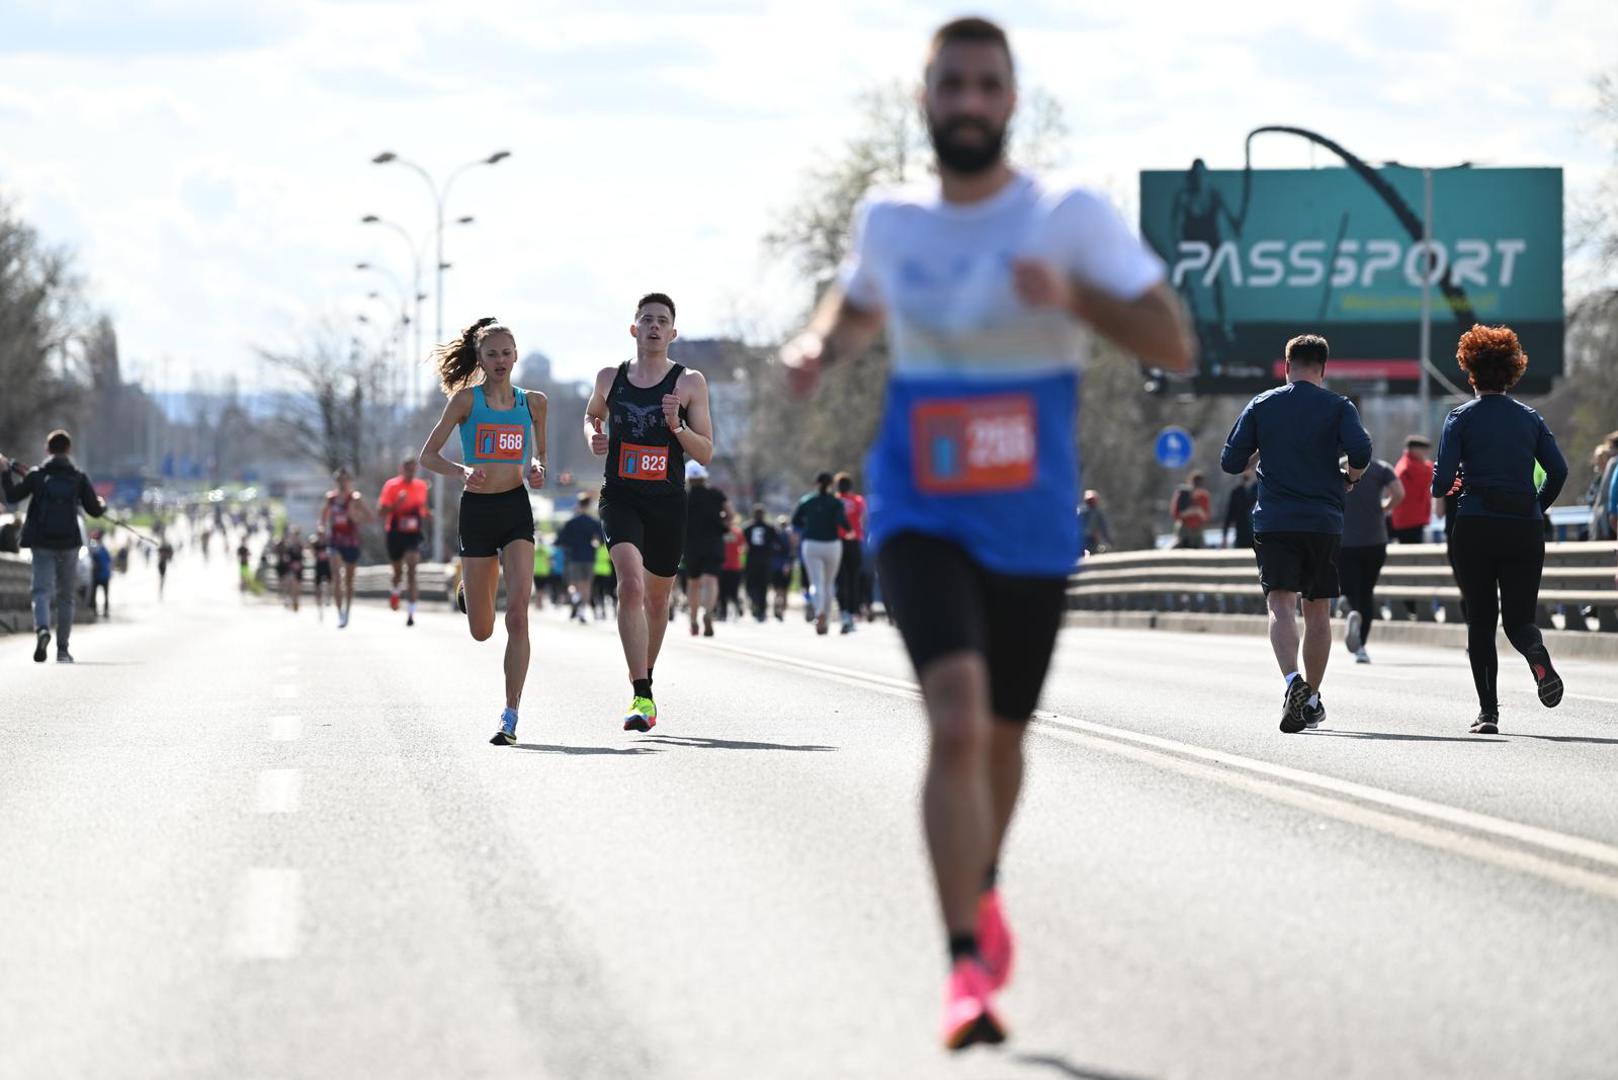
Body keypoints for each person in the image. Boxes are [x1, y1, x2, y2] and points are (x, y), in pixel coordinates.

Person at [778, 16, 1195, 1050]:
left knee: (1003, 738)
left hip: (1029, 520)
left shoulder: (1066, 216)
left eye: (984, 86)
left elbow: (1173, 341)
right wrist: (816, 345)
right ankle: (962, 964)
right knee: (955, 722)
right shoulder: (891, 221)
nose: (965, 103)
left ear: (1009, 101)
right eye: (949, 86)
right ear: (926, 101)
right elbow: (855, 304)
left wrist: (1077, 296)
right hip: (918, 507)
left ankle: (987, 877)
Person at [1220, 334, 1371, 733]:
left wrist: (1261, 447)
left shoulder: (1263, 404)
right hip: (1322, 522)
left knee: (1280, 605)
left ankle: (1292, 682)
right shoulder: (1339, 407)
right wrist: (1351, 478)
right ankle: (1313, 699)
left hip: (1274, 521)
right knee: (1317, 610)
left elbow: (1231, 461)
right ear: (1323, 368)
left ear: (1286, 367)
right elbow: (1362, 452)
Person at [584, 293, 715, 732]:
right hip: (620, 495)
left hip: (666, 501)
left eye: (662, 321)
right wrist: (593, 436)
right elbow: (592, 415)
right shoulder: (610, 377)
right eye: (647, 320)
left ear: (673, 333)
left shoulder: (690, 382)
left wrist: (677, 426)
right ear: (633, 329)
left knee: (658, 600)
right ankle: (641, 691)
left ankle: (646, 680)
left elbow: (707, 452)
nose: (654, 327)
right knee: (631, 586)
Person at [1431, 324, 1568, 735]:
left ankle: (1488, 713)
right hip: (1524, 527)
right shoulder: (1530, 419)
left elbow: (1440, 484)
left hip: (1474, 525)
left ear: (1470, 373)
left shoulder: (1460, 418)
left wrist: (1453, 480)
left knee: (1481, 620)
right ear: (1512, 372)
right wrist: (1534, 507)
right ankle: (1536, 654)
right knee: (1519, 620)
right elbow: (1558, 471)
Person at [419, 316, 548, 746]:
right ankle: (467, 587)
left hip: (515, 509)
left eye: (507, 352)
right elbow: (428, 457)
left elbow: (539, 457)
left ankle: (510, 715)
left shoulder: (534, 403)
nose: (500, 360)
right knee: (481, 630)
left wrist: (536, 466)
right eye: (491, 353)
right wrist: (461, 470)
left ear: (516, 356)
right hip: (476, 510)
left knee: (519, 614)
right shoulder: (464, 402)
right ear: (479, 358)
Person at [2, 432, 108, 663]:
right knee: (65, 597)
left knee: (41, 591)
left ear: (47, 450)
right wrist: (102, 504)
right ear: (68, 450)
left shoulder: (37, 475)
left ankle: (42, 630)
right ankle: (62, 649)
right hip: (69, 543)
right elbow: (94, 510)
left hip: (41, 543)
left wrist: (4, 473)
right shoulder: (78, 477)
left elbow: (11, 497)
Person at [1338, 452, 1401, 664]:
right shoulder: (1380, 468)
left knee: (1349, 589)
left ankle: (1348, 607)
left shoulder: (1337, 466)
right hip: (1376, 540)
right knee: (1367, 592)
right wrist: (1383, 509)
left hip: (1343, 541)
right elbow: (1399, 493)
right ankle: (1361, 646)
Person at [792, 472, 849, 635]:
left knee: (816, 582)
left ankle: (819, 613)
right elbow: (842, 521)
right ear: (832, 484)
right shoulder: (836, 502)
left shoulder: (807, 500)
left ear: (816, 483)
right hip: (832, 543)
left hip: (812, 543)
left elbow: (795, 521)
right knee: (829, 583)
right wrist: (850, 531)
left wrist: (809, 524)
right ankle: (828, 620)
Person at [378, 456, 430, 627]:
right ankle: (395, 591)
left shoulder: (421, 486)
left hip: (413, 534)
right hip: (395, 532)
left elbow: (421, 509)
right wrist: (396, 504)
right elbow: (381, 511)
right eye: (407, 467)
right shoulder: (392, 486)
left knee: (413, 569)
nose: (411, 471)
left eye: (413, 468)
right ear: (402, 469)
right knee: (398, 572)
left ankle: (411, 612)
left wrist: (428, 514)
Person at [319, 467, 373, 628]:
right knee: (336, 576)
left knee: (349, 581)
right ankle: (339, 613)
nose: (342, 483)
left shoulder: (355, 498)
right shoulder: (331, 498)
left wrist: (355, 517)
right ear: (336, 482)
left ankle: (347, 611)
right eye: (339, 480)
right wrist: (321, 528)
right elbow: (323, 518)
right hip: (335, 541)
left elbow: (369, 517)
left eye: (345, 480)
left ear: (349, 481)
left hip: (351, 541)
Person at [683, 460, 729, 637]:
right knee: (711, 580)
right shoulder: (716, 494)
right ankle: (708, 613)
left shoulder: (684, 496)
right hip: (714, 542)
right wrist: (723, 523)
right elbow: (730, 515)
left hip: (691, 544)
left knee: (693, 583)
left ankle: (693, 620)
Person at [557, 491, 607, 623]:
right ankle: (582, 612)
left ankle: (575, 597)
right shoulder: (594, 522)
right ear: (589, 505)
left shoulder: (571, 523)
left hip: (574, 556)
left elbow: (560, 541)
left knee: (573, 584)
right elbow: (601, 541)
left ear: (578, 504)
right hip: (589, 556)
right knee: (587, 585)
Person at [834, 472, 868, 633]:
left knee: (841, 579)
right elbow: (864, 518)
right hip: (854, 541)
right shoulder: (858, 500)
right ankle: (854, 611)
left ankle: (843, 611)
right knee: (854, 577)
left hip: (837, 542)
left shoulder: (834, 500)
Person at [1389, 436, 1435, 543]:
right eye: (1424, 450)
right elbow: (1428, 472)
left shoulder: (1408, 464)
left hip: (1410, 517)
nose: (1426, 453)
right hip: (1409, 519)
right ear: (1414, 449)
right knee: (1412, 555)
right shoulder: (1408, 468)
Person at [743, 506, 781, 622]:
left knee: (752, 585)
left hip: (752, 560)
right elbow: (778, 544)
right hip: (764, 560)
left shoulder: (747, 528)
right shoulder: (769, 528)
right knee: (762, 586)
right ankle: (761, 608)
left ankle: (757, 604)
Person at [1170, 471, 1211, 548]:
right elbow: (1175, 514)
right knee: (1175, 548)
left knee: (1203, 550)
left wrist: (1198, 511)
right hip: (1183, 529)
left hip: (1197, 530)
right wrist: (1189, 512)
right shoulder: (1182, 493)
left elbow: (1206, 517)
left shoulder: (1204, 496)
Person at [1222, 468, 1257, 549]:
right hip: (1241, 534)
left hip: (1257, 535)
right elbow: (1230, 514)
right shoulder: (1236, 492)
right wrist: (1225, 536)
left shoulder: (1259, 489)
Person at [770, 513, 796, 621]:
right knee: (781, 590)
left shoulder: (785, 535)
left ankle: (780, 608)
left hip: (781, 566)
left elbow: (791, 552)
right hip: (778, 566)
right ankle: (779, 608)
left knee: (781, 590)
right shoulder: (781, 535)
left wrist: (788, 564)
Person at [719, 518, 746, 621]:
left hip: (735, 566)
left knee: (733, 591)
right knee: (722, 592)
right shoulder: (719, 532)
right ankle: (723, 613)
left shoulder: (738, 532)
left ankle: (736, 610)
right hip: (722, 566)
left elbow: (744, 547)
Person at [1079, 490, 1112, 555]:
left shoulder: (1097, 513)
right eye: (1089, 500)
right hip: (1081, 539)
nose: (1091, 502)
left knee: (1092, 554)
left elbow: (1103, 527)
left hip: (1092, 539)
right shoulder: (1080, 511)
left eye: (1092, 500)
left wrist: (1108, 540)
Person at [310, 526, 333, 619]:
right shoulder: (315, 544)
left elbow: (332, 554)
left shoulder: (328, 543)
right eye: (319, 534)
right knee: (317, 586)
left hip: (326, 566)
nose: (321, 536)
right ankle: (319, 603)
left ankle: (328, 597)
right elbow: (312, 553)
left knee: (329, 583)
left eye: (322, 534)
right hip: (319, 566)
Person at [89, 529, 112, 618]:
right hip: (104, 575)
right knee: (104, 594)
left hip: (98, 575)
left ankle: (95, 610)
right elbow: (109, 561)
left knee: (95, 594)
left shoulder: (94, 548)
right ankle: (104, 610)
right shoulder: (103, 548)